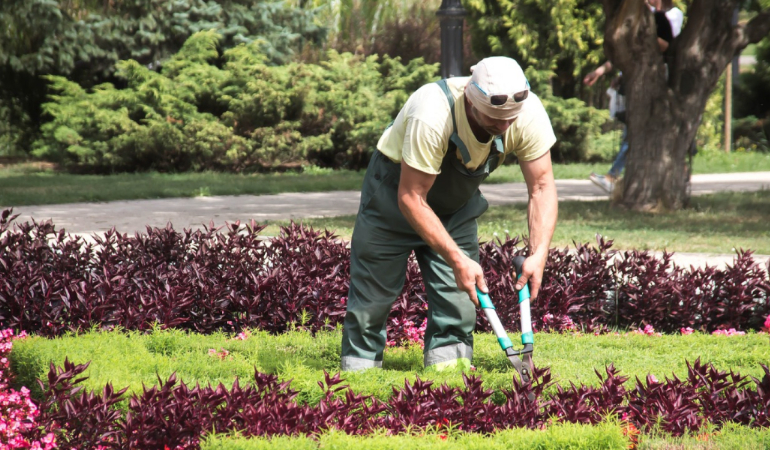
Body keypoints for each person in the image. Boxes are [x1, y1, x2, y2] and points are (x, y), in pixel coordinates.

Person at [340, 57, 558, 371]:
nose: (505, 126)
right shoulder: (433, 112)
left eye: (510, 119)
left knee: (459, 304)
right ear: (471, 99)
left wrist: (539, 253)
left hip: (455, 208)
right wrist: (457, 259)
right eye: (495, 119)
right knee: (371, 302)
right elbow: (411, 197)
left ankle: (449, 384)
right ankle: (357, 384)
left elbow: (541, 185)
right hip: (393, 199)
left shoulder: (526, 112)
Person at [585, 0, 683, 193]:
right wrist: (601, 71)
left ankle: (613, 176)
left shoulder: (668, 17)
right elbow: (627, 53)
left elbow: (665, 44)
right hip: (636, 84)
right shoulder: (645, 18)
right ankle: (615, 176)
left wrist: (645, 33)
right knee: (633, 130)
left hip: (658, 82)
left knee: (636, 132)